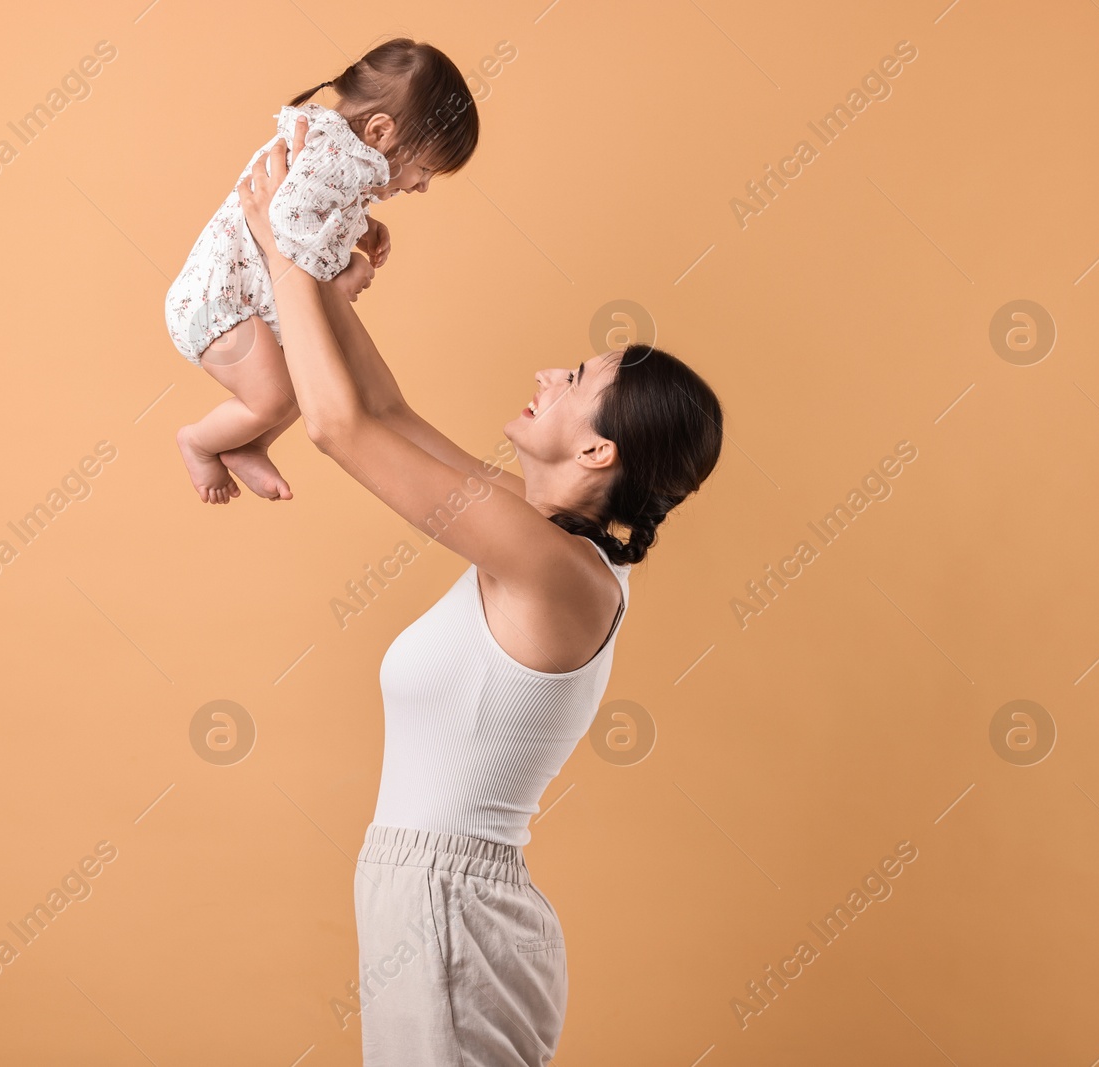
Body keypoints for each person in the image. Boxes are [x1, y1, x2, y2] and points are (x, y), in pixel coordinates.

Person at [237, 119, 723, 1065]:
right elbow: (383, 414)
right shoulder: (538, 538)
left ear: (598, 450)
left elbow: (339, 432)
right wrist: (330, 291)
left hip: (453, 909)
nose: (550, 371)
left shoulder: (557, 573)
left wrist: (282, 247)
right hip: (434, 900)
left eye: (577, 378)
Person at [164, 38, 478, 504]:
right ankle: (200, 441)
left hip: (237, 301)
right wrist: (342, 269)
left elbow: (314, 210)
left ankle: (252, 443)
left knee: (308, 382)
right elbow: (286, 224)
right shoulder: (333, 159)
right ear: (379, 131)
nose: (423, 187)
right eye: (425, 169)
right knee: (276, 398)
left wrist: (361, 226)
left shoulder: (337, 158)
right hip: (217, 305)